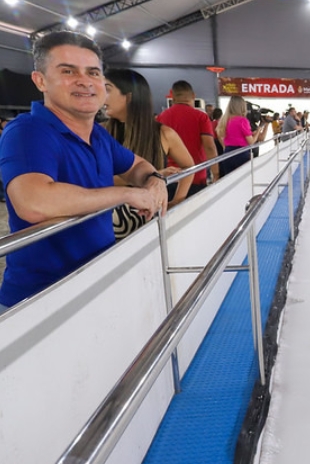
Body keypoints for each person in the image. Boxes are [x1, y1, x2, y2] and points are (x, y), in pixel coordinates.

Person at [0, 31, 168, 311]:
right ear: (40, 80)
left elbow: (138, 166)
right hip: (41, 300)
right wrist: (124, 195)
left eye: (93, 72)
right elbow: (33, 203)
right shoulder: (28, 131)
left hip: (93, 281)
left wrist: (154, 181)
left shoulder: (98, 136)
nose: (84, 81)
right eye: (68, 71)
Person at [104, 68, 195, 219]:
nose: (101, 96)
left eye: (107, 90)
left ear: (129, 97)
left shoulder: (163, 134)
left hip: (150, 220)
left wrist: (177, 201)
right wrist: (154, 176)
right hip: (107, 220)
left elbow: (189, 167)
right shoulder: (100, 134)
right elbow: (94, 179)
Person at [157, 81, 219, 194]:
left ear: (173, 97)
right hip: (196, 176)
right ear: (193, 96)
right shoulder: (201, 117)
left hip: (169, 178)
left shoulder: (161, 118)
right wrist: (216, 174)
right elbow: (209, 147)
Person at [215, 95, 270, 175]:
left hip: (227, 154)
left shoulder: (224, 120)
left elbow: (224, 136)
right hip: (241, 154)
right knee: (243, 181)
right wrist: (258, 130)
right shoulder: (242, 121)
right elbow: (251, 142)